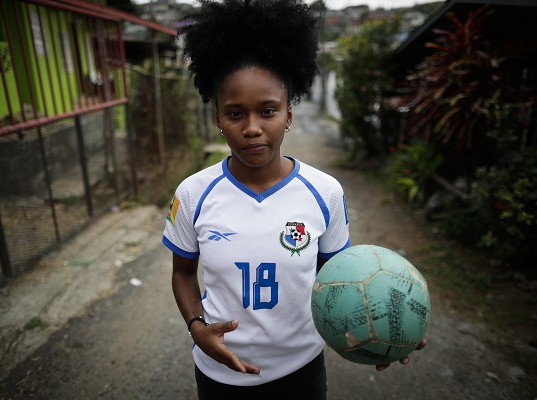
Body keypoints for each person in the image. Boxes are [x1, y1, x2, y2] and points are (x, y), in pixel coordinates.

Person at [162, 1, 425, 398]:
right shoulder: (193, 193)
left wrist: (388, 327)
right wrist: (197, 328)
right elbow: (183, 272)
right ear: (217, 117)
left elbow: (344, 281)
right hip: (220, 375)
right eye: (235, 114)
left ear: (288, 113)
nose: (252, 128)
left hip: (301, 371)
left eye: (267, 110)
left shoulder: (325, 192)